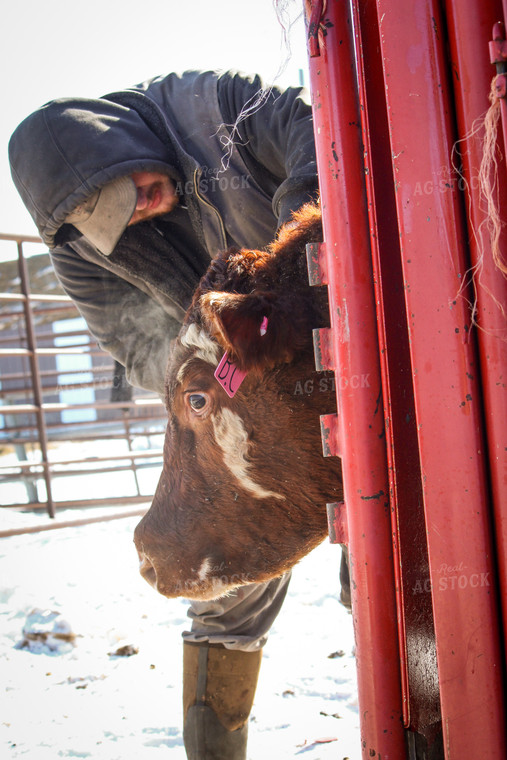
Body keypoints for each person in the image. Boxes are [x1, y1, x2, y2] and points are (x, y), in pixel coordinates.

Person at [9, 69, 345, 760]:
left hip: (335, 345)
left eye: (127, 194)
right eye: (111, 218)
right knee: (217, 566)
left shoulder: (210, 107)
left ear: (121, 146)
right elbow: (130, 341)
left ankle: (415, 701)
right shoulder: (77, 242)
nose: (132, 214)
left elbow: (318, 138)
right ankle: (214, 749)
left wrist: (294, 257)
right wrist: (203, 379)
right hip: (228, 387)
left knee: (377, 545)